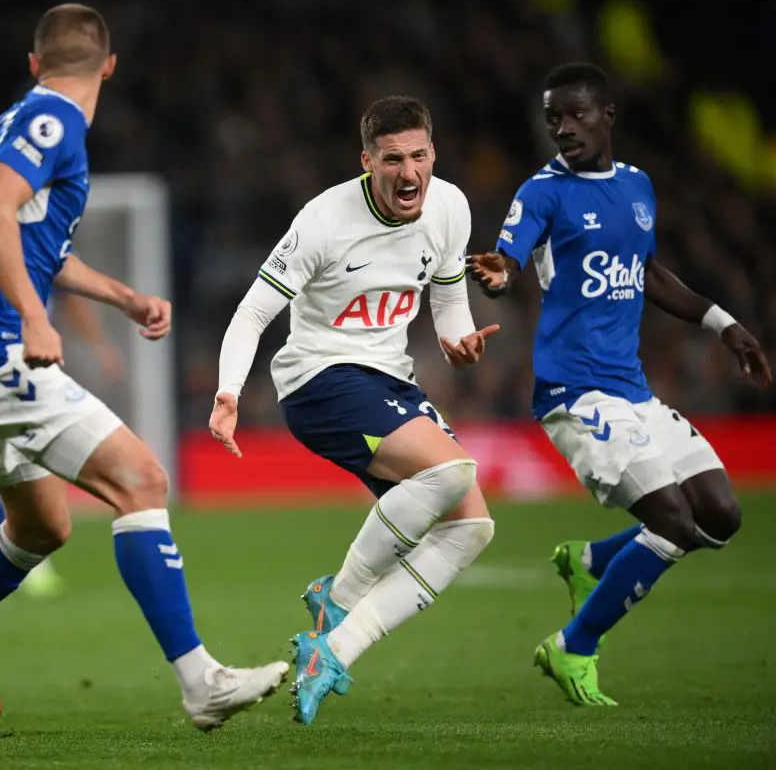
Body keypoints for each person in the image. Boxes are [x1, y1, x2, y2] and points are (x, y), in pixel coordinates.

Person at [0, 3, 287, 736]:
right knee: (143, 480)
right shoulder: (52, 121)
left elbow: (36, 240)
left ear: (35, 62)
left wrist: (123, 297)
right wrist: (34, 317)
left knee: (40, 528)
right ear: (110, 65)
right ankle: (201, 681)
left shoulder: (21, 122)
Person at [467, 62, 772, 706]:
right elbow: (509, 256)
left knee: (719, 517)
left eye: (576, 114)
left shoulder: (637, 187)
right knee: (671, 523)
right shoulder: (543, 192)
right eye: (553, 118)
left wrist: (726, 325)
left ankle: (593, 561)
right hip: (574, 394)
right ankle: (572, 646)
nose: (563, 128)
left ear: (608, 116)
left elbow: (651, 272)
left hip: (631, 389)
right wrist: (499, 271)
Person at [210, 96, 499, 725]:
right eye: (392, 159)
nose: (409, 172)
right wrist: (229, 390)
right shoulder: (323, 221)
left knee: (471, 527)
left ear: (433, 155)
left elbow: (447, 306)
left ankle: (335, 647)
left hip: (389, 376)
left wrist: (461, 343)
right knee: (451, 472)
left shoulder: (449, 208)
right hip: (318, 378)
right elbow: (254, 312)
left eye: (419, 156)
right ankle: (336, 599)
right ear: (367, 162)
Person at [0, 241, 127, 599]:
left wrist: (100, 346)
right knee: (30, 460)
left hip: (37, 360)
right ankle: (19, 556)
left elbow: (69, 298)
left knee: (22, 462)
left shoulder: (46, 236)